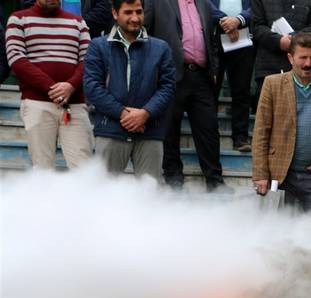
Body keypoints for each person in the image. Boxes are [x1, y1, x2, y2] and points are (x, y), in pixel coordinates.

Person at [252, 32, 311, 211]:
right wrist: (260, 174)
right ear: (290, 58)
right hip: (279, 174)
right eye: (303, 58)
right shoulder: (272, 84)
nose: (308, 63)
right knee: (277, 226)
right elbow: (261, 131)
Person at [84, 0, 176, 180]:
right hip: (111, 128)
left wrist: (145, 113)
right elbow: (92, 87)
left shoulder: (161, 48)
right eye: (128, 12)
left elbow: (168, 87)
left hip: (149, 130)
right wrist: (124, 114)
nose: (135, 18)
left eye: (139, 12)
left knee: (149, 191)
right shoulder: (98, 46)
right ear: (114, 13)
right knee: (104, 191)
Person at [144, 0, 225, 190]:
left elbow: (211, 38)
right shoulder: (157, 2)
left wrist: (213, 68)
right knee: (170, 130)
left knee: (209, 129)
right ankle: (174, 180)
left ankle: (215, 181)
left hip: (201, 76)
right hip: (169, 76)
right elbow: (144, 34)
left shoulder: (203, 3)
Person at [6, 0, 93, 169]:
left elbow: (89, 60)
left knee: (83, 168)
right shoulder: (18, 19)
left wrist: (70, 85)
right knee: (42, 169)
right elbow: (17, 59)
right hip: (37, 103)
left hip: (74, 105)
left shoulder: (78, 22)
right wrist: (53, 88)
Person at [250, 0, 311, 97]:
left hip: (304, 69)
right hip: (269, 67)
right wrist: (278, 41)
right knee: (268, 105)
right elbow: (256, 26)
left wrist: (295, 40)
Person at [210, 0, 254, 152]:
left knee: (242, 90)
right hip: (214, 36)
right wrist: (226, 22)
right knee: (211, 90)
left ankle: (240, 138)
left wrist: (238, 20)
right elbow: (204, 4)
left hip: (244, 37)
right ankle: (210, 137)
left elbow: (257, 6)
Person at [21, 0, 113, 38]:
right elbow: (29, 5)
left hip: (86, 36)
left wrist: (79, 26)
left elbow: (104, 9)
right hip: (44, 35)